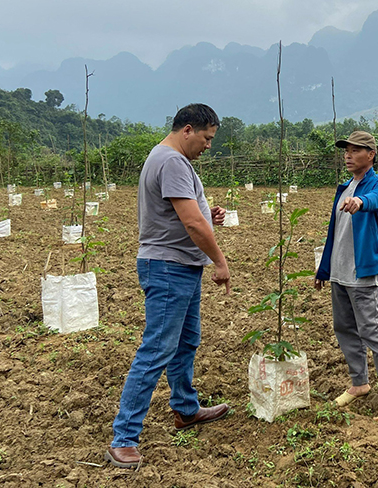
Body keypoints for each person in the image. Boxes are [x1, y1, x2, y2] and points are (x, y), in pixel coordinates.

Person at [105, 104, 232, 468]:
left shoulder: (165, 158)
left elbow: (190, 214)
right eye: (207, 138)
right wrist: (220, 262)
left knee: (185, 342)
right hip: (168, 268)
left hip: (179, 266)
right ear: (188, 129)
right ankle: (123, 438)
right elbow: (191, 223)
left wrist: (211, 215)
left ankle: (186, 411)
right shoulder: (173, 161)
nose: (208, 146)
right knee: (157, 349)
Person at [314, 131, 378, 425]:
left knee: (372, 332)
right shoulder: (344, 187)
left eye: (356, 150)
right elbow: (335, 233)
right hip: (340, 273)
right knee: (343, 328)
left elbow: (377, 199)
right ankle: (360, 384)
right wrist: (323, 270)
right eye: (346, 150)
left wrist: (361, 202)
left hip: (361, 273)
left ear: (371, 155)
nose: (348, 155)